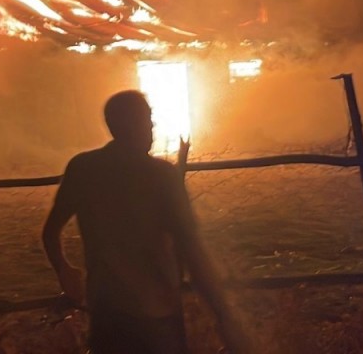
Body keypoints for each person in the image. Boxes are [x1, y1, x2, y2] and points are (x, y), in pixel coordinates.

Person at [42, 90, 249, 354]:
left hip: (105, 314)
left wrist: (64, 269)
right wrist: (224, 316)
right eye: (148, 118)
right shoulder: (160, 176)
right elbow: (192, 250)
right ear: (132, 123)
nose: (152, 125)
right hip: (156, 314)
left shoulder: (82, 169)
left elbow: (50, 232)